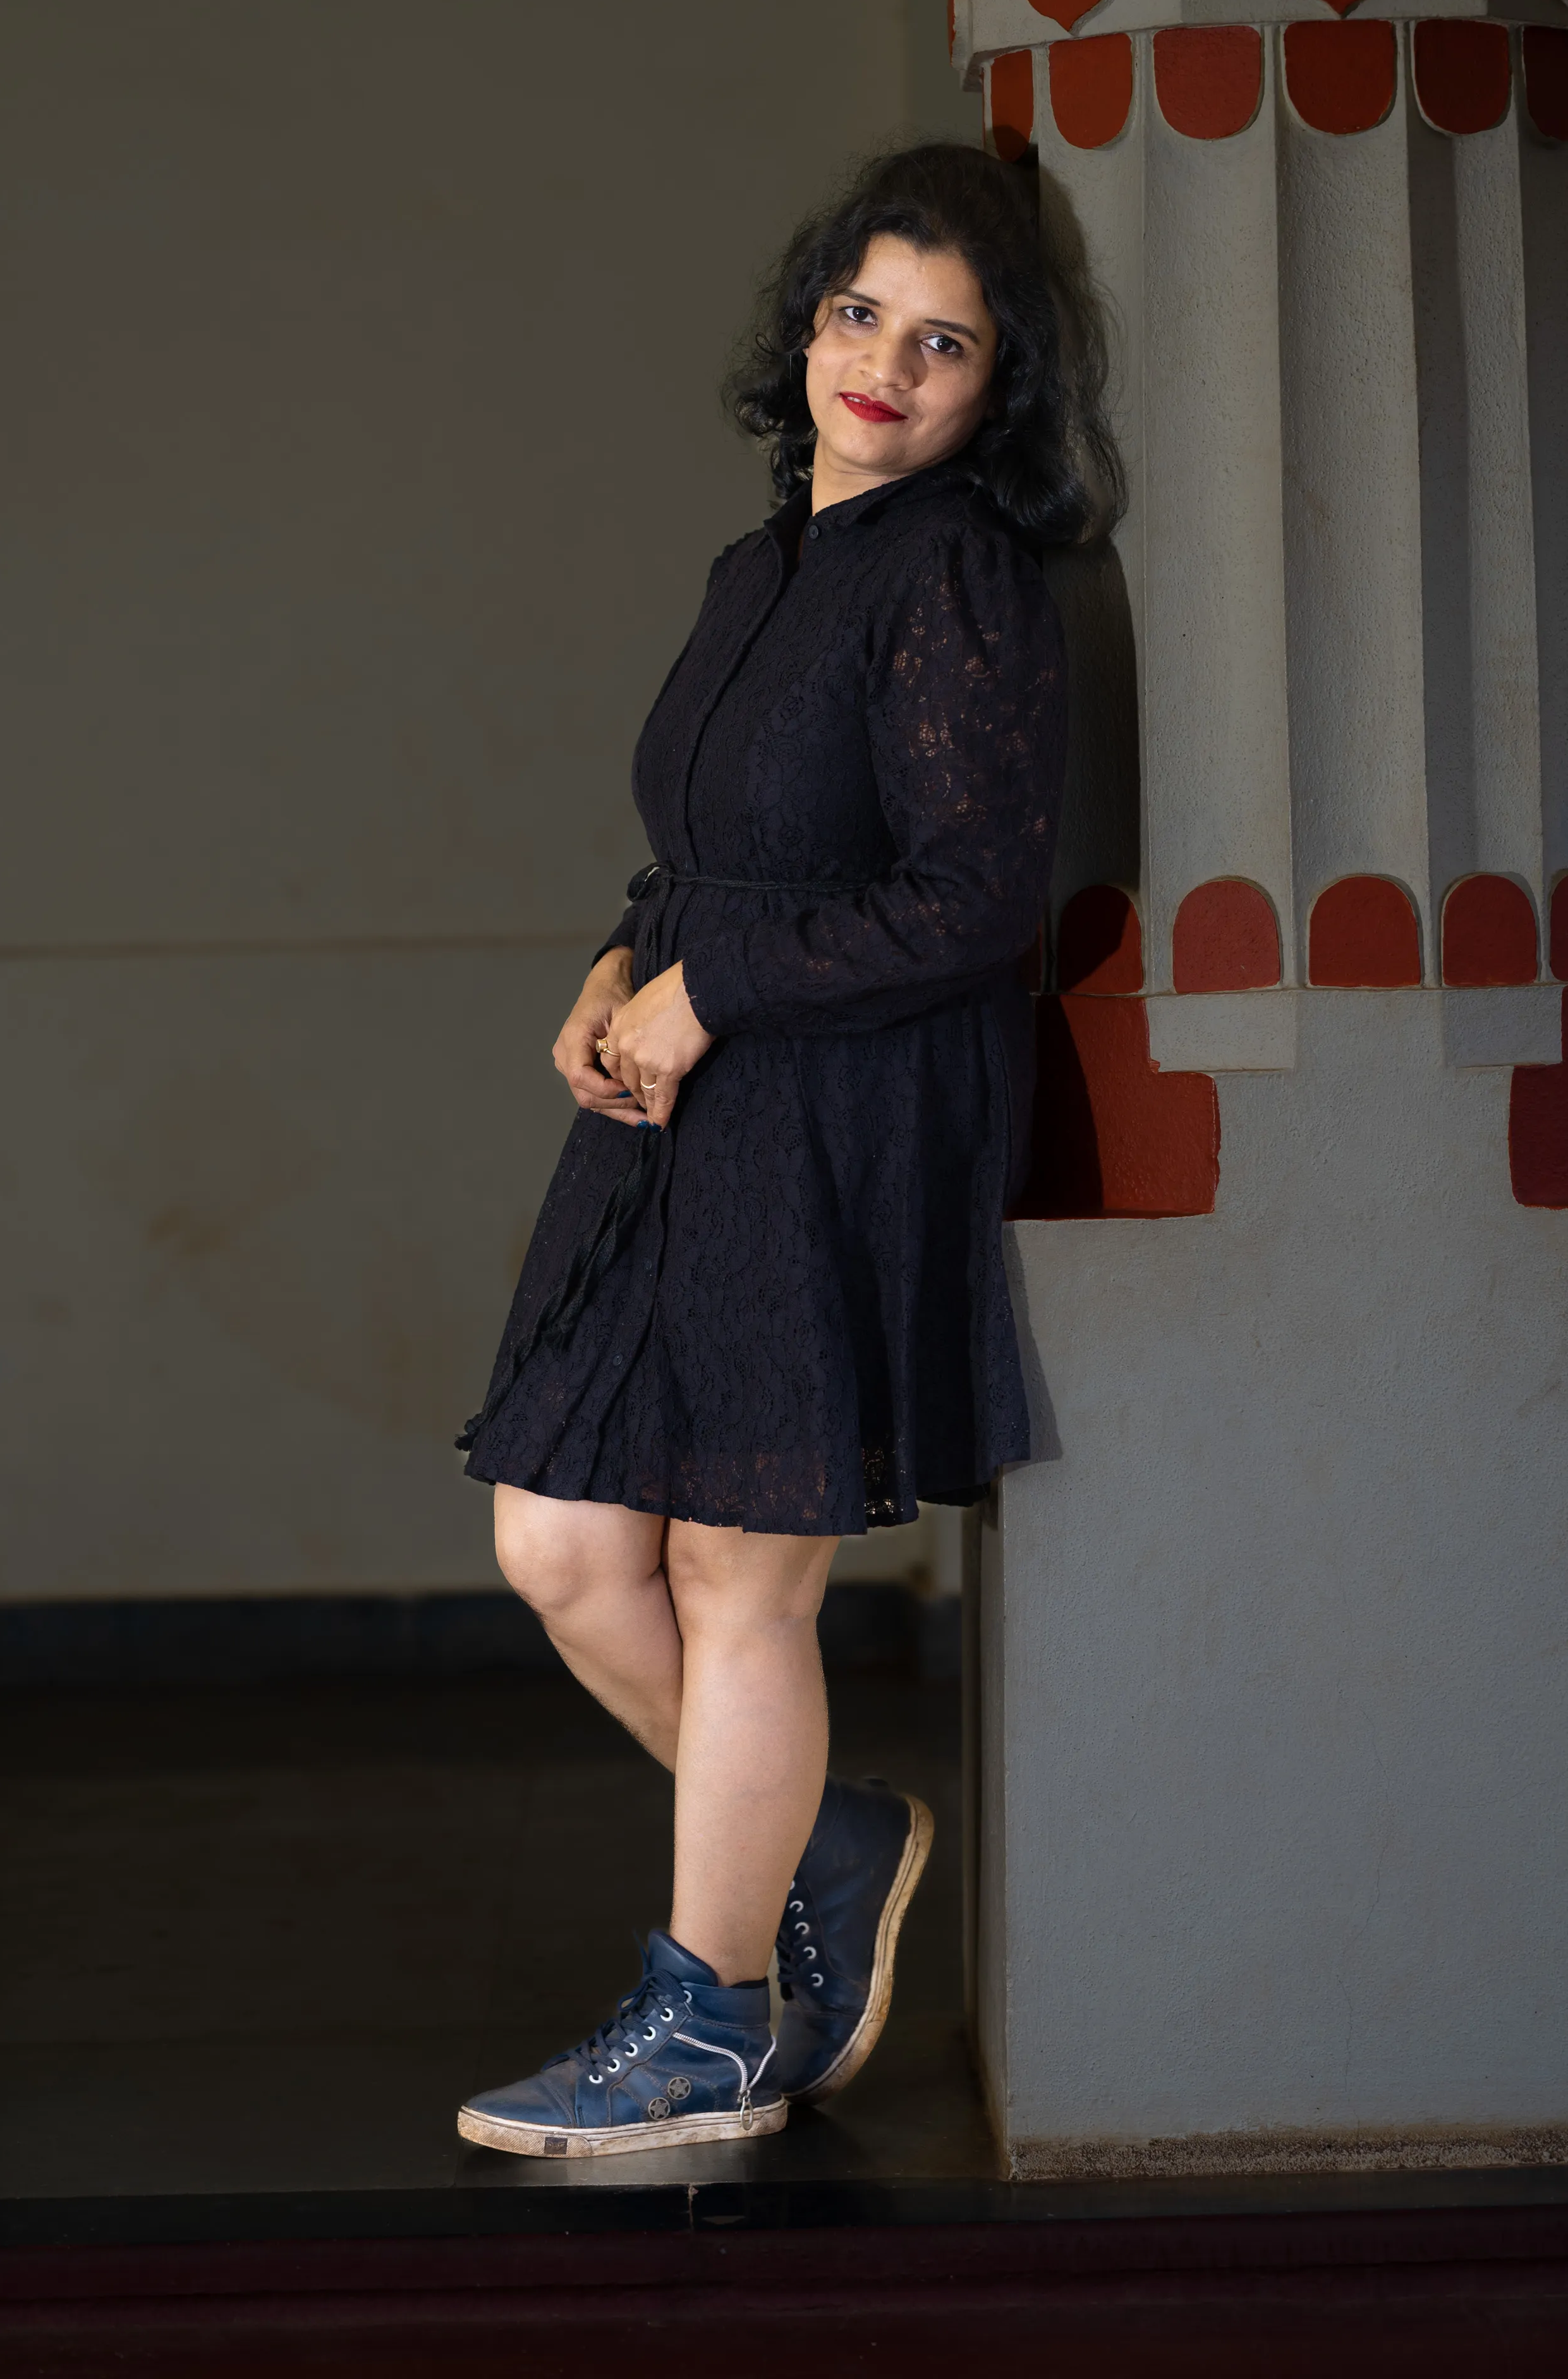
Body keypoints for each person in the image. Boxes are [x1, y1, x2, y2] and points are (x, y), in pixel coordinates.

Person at [454, 141, 1120, 2158]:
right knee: (560, 1545)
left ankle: (713, 2024)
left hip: (836, 1107)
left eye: (944, 344)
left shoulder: (956, 575)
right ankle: (818, 1843)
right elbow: (708, 849)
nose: (883, 369)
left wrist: (714, 990)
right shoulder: (763, 568)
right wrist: (614, 965)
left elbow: (970, 902)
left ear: (996, 388)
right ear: (807, 324)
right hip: (689, 1089)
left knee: (739, 1580)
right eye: (859, 315)